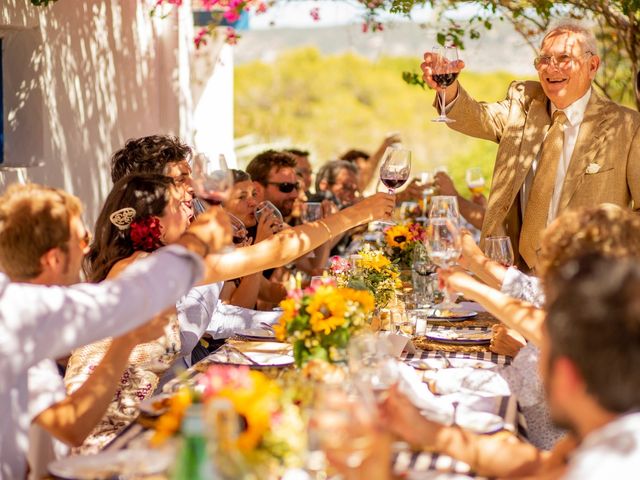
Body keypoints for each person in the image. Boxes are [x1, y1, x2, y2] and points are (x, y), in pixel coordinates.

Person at [0, 192, 230, 479]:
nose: (87, 250)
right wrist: (197, 242)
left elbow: (69, 424)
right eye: (81, 241)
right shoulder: (21, 312)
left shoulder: (23, 329)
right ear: (54, 259)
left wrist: (127, 341)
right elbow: (126, 298)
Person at [421, 19, 640, 269]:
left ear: (592, 65)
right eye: (544, 59)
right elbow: (476, 118)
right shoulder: (524, 104)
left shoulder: (628, 127)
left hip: (586, 282)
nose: (551, 68)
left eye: (564, 58)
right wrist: (448, 89)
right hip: (515, 274)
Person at [438, 204, 640, 451]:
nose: (540, 266)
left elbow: (508, 385)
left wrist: (431, 380)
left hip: (538, 447)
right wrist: (473, 262)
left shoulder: (591, 324)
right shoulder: (610, 302)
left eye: (548, 256)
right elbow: (526, 290)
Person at [246, 150, 300, 220]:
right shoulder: (246, 229)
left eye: (296, 186)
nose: (295, 194)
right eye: (286, 187)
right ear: (257, 189)